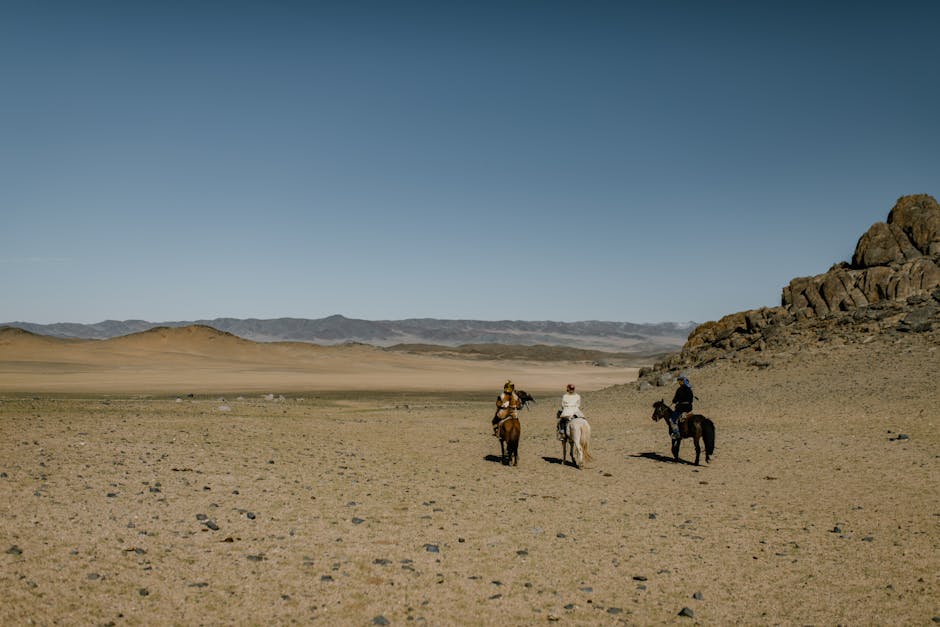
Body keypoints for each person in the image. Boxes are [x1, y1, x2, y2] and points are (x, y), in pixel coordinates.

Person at [669, 375, 694, 440]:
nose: (679, 382)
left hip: (681, 408)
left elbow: (675, 399)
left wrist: (674, 401)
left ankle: (677, 434)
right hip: (689, 408)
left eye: (679, 381)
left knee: (672, 420)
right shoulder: (689, 389)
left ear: (682, 381)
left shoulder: (679, 389)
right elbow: (691, 400)